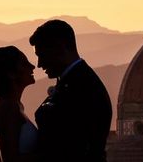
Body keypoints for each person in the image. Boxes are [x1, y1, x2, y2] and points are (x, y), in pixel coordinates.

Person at [30, 19, 112, 162]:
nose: (39, 64)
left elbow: (71, 148)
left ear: (60, 49)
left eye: (42, 55)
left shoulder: (83, 88)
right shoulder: (75, 81)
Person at [0, 46, 38, 162]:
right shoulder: (7, 107)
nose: (32, 67)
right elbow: (9, 158)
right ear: (11, 73)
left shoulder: (12, 105)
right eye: (24, 64)